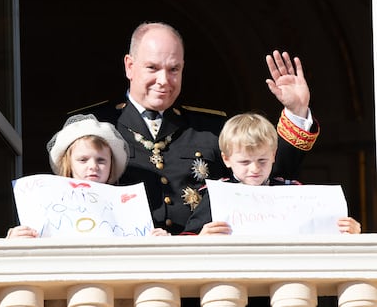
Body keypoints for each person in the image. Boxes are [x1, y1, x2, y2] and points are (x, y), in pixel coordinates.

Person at [72, 21, 320, 236]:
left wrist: (297, 111)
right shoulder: (93, 126)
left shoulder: (211, 129)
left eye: (173, 69)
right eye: (152, 68)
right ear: (129, 66)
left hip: (203, 271)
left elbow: (267, 176)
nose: (164, 80)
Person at [182, 112, 361, 235]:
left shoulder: (292, 191)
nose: (254, 169)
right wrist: (201, 238)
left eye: (262, 161)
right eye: (244, 162)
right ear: (226, 159)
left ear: (273, 155)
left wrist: (350, 231)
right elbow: (188, 236)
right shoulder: (216, 195)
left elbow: (322, 230)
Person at [6, 113, 169, 238]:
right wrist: (15, 240)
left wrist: (157, 241)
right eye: (83, 160)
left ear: (112, 164)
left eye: (101, 160)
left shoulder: (129, 207)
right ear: (68, 164)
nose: (93, 166)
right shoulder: (45, 202)